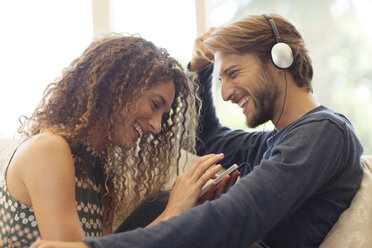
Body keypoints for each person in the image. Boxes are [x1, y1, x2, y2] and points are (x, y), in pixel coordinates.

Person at [30, 13, 363, 248]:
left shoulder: (323, 133)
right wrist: (199, 70)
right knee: (162, 200)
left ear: (279, 59)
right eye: (221, 80)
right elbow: (206, 139)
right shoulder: (279, 141)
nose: (226, 93)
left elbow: (238, 215)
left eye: (233, 72)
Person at [0, 33, 235, 247]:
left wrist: (183, 214)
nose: (156, 126)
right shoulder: (48, 149)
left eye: (163, 116)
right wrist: (172, 212)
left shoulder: (98, 173)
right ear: (116, 88)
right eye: (154, 104)